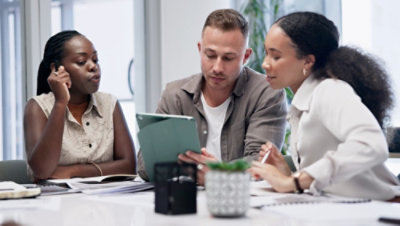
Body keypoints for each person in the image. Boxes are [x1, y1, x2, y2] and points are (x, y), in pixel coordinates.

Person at [249, 11, 400, 201]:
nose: (264, 64)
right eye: (266, 53)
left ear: (308, 61)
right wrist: (288, 174)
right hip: (344, 207)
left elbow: (372, 144)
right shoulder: (304, 100)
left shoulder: (329, 90)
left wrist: (295, 181)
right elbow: (332, 179)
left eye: (276, 57)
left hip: (382, 208)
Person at [137, 9, 288, 184]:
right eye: (210, 55)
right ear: (200, 49)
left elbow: (260, 163)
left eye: (228, 58)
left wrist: (219, 173)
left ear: (246, 56)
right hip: (184, 197)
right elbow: (144, 167)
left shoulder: (266, 93)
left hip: (239, 200)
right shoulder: (175, 95)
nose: (217, 67)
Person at [24, 30, 136, 181]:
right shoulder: (37, 107)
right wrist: (60, 102)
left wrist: (73, 171)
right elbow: (43, 170)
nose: (93, 67)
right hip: (55, 202)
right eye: (81, 62)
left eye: (95, 60)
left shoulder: (109, 103)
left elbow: (129, 167)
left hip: (105, 200)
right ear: (57, 69)